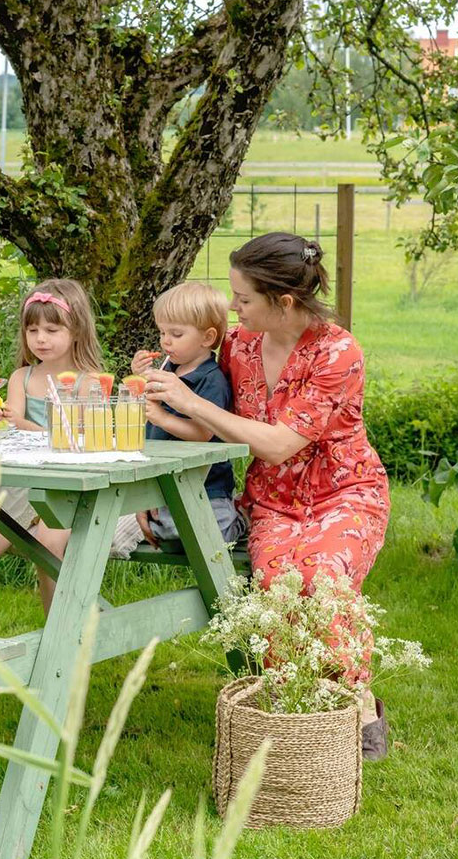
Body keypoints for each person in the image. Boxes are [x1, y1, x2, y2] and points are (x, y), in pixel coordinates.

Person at [144, 233, 391, 759]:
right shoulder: (239, 345)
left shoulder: (337, 351)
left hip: (344, 493)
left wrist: (192, 403)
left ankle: (358, 701)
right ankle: (299, 714)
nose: (233, 308)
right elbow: (196, 362)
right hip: (272, 501)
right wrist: (164, 365)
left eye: (244, 299)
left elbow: (279, 444)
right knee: (279, 587)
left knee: (324, 580)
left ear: (283, 302)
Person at [0, 278, 104, 635]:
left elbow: (80, 440)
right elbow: (12, 429)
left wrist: (21, 422)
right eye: (33, 329)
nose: (41, 339)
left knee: (49, 549)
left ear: (76, 331)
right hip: (21, 481)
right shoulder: (22, 378)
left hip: (68, 484)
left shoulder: (89, 383)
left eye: (52, 329)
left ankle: (59, 645)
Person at [130, 280, 244, 547]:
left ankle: (240, 520)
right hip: (167, 479)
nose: (166, 341)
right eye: (162, 333)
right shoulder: (168, 370)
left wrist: (162, 418)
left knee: (208, 536)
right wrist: (140, 376)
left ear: (207, 338)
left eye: (176, 334)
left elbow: (203, 434)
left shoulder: (211, 381)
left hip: (206, 486)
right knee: (168, 530)